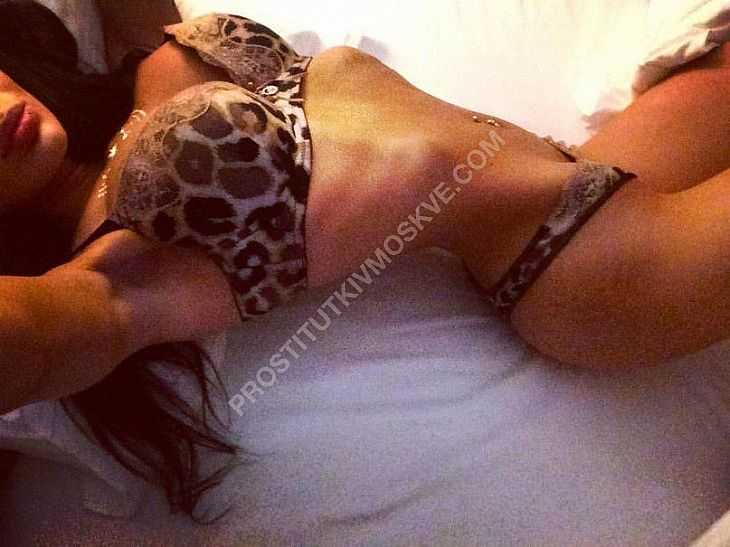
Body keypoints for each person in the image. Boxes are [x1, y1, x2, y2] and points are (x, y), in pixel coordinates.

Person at [0, 0, 728, 520]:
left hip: (578, 164)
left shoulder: (139, 68)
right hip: (587, 265)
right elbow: (46, 333)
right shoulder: (108, 276)